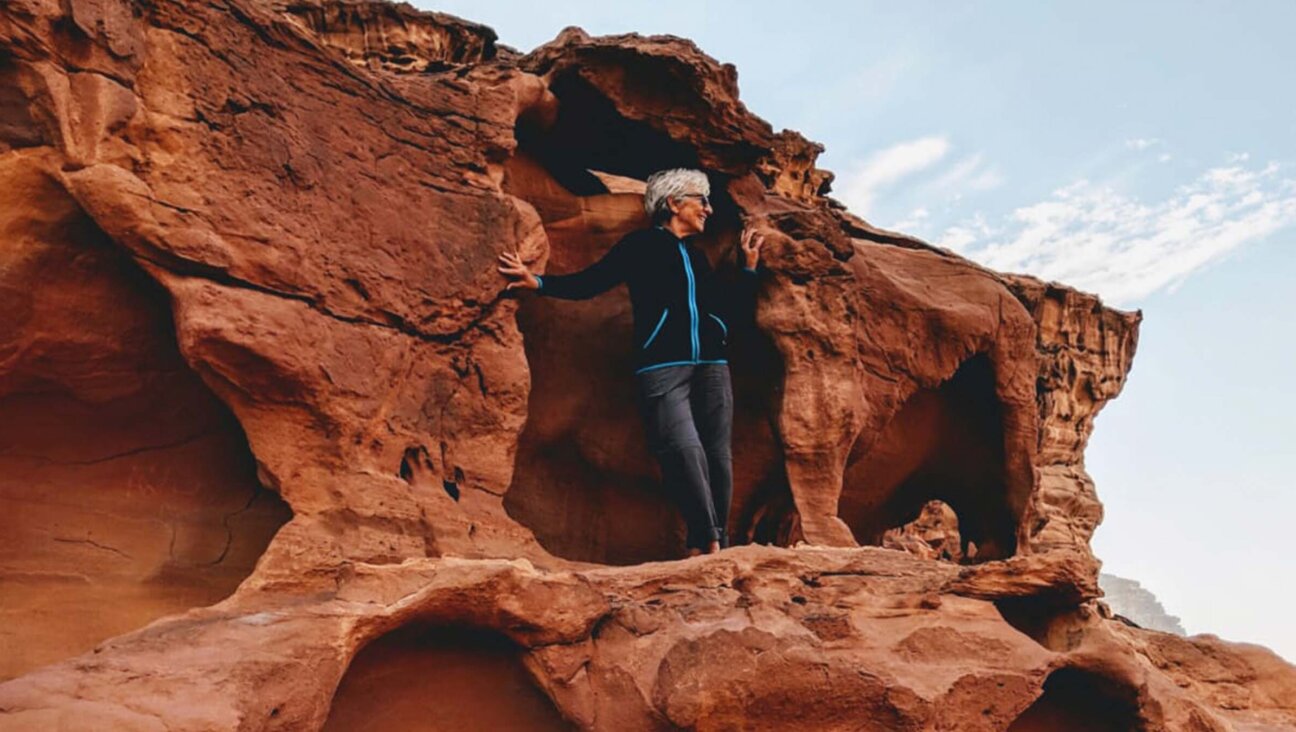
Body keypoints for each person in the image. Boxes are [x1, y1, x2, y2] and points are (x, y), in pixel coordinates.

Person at [497, 168, 764, 556]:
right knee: (683, 449)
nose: (708, 208)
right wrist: (539, 282)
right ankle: (706, 538)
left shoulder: (699, 256)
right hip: (661, 364)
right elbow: (592, 281)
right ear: (673, 203)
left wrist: (749, 271)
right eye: (700, 200)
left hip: (712, 364)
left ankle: (711, 546)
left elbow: (726, 308)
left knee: (718, 454)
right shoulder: (639, 246)